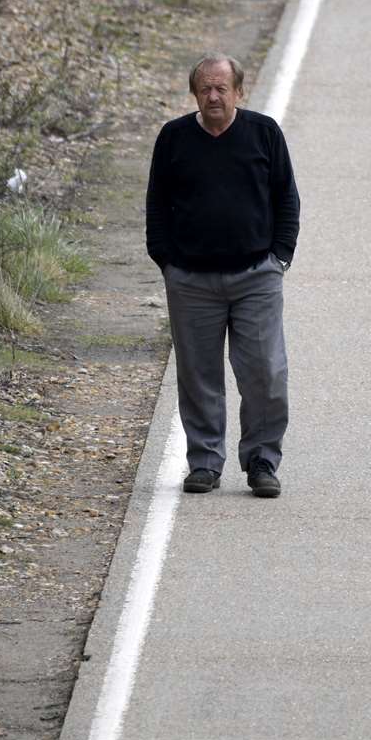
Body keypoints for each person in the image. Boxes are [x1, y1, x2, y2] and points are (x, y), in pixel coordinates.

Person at [145, 54, 300, 498]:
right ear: (194, 93)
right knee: (198, 376)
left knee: (266, 373)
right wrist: (167, 262)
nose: (214, 96)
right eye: (205, 88)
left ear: (239, 91)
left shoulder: (263, 134)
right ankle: (205, 462)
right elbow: (157, 204)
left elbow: (287, 199)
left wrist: (280, 259)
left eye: (222, 88)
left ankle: (262, 461)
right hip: (191, 280)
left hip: (256, 276)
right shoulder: (174, 138)